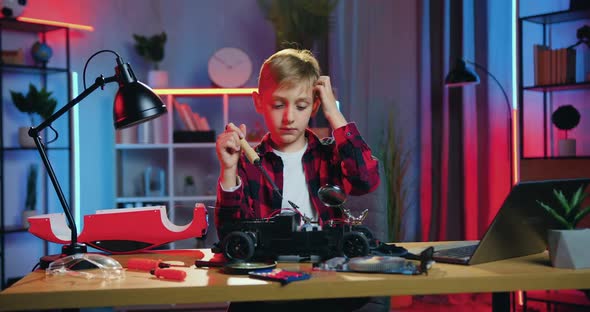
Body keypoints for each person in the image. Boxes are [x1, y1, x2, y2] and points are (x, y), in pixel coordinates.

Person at [214, 48, 386, 312]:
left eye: (301, 105)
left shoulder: (332, 156)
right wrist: (228, 169)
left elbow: (366, 180)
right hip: (265, 287)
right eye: (278, 104)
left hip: (327, 286)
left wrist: (334, 115)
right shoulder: (248, 164)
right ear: (259, 102)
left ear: (315, 105)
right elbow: (230, 236)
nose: (289, 117)